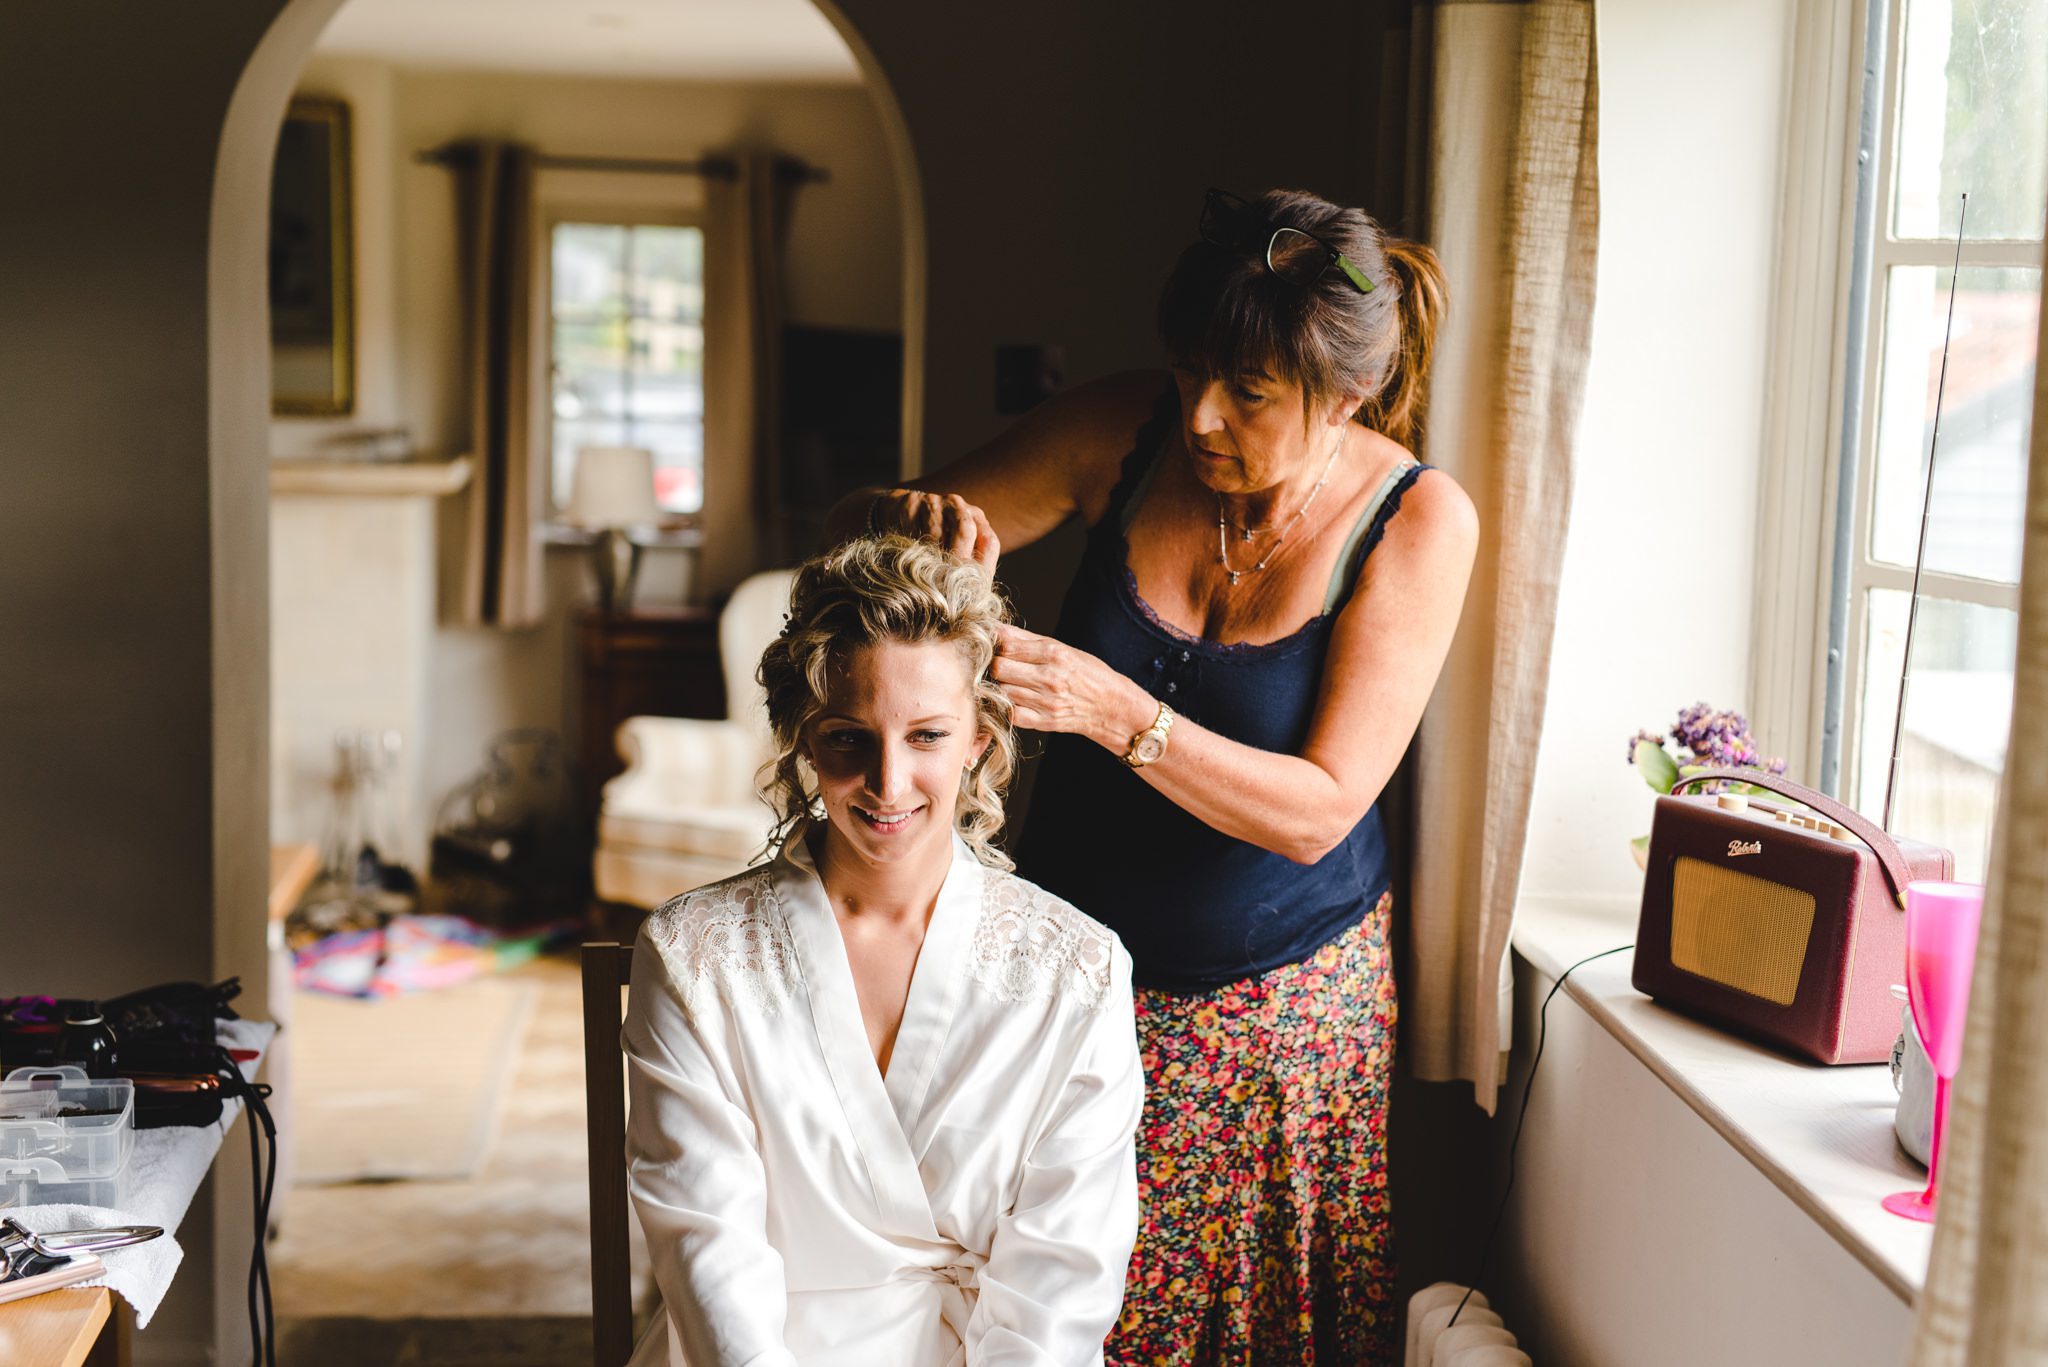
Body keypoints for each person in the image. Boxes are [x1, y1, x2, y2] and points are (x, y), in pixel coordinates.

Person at [830, 188, 1478, 1364]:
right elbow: (865, 548)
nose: (1199, 414)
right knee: (1032, 1309)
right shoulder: (1121, 435)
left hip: (1274, 1007)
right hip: (1066, 977)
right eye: (1187, 372)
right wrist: (908, 522)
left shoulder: (1416, 521)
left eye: (1247, 391)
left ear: (1345, 394)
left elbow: (1320, 809)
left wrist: (1116, 709)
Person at [622, 535, 1145, 1367]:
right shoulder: (692, 958)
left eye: (928, 736)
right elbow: (707, 1248)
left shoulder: (1079, 974)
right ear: (801, 738)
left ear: (980, 737)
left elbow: (1064, 1279)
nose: (889, 782)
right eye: (847, 739)